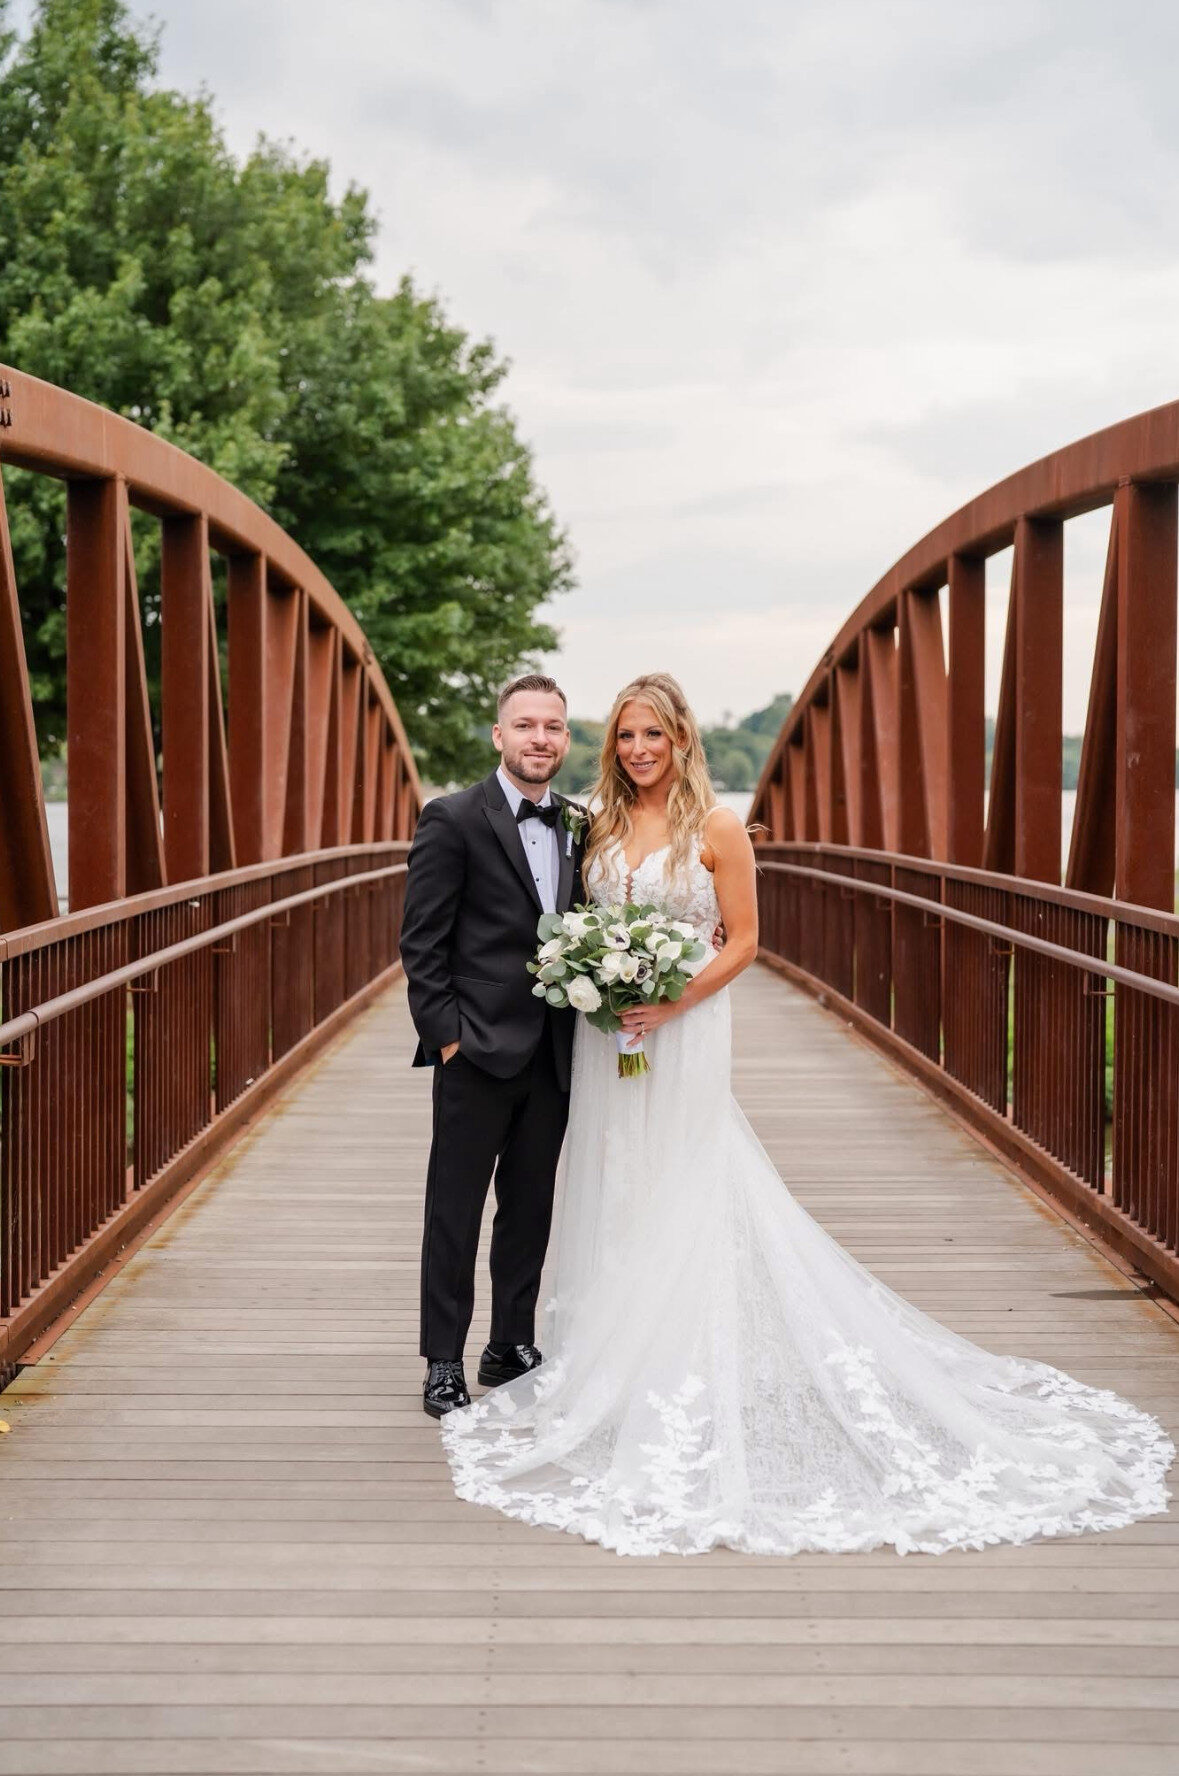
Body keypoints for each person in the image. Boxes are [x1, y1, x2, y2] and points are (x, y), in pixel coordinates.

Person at [439, 672, 1174, 1556]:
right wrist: (598, 982)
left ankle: (679, 1359)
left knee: (682, 1174)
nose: (637, 750)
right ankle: (608, 1353)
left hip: (680, 1026)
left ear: (681, 740)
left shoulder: (716, 827)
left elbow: (746, 941)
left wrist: (670, 1002)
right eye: (625, 736)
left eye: (653, 735)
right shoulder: (590, 823)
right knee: (611, 1178)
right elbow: (563, 916)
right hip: (606, 1037)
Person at [400, 674, 586, 1419]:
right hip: (475, 1050)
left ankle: (510, 1343)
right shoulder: (450, 819)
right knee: (455, 1210)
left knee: (529, 1208)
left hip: (554, 1051)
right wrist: (447, 1039)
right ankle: (443, 1360)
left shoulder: (581, 824)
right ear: (499, 735)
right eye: (526, 725)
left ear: (565, 739)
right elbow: (421, 944)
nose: (540, 738)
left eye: (553, 727)